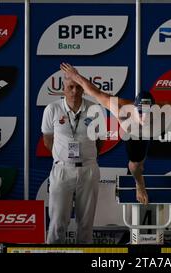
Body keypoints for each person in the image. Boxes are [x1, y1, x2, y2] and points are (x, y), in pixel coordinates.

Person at [60, 63, 171, 205]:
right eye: (140, 112)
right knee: (135, 166)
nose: (144, 116)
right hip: (134, 135)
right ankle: (140, 185)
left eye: (148, 112)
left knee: (141, 157)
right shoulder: (121, 108)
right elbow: (95, 92)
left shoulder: (166, 110)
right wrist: (76, 76)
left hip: (153, 132)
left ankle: (142, 162)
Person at [42, 71, 105, 244]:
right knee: (57, 223)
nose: (75, 91)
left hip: (89, 169)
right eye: (71, 87)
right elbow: (48, 140)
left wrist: (87, 157)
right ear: (63, 89)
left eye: (78, 87)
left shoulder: (95, 109)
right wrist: (63, 157)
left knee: (86, 224)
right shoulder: (52, 109)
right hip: (62, 169)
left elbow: (100, 141)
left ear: (84, 89)